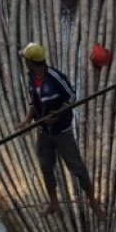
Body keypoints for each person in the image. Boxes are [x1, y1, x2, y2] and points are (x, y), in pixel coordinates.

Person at [17, 42, 105, 219]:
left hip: (61, 131)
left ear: (31, 61)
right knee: (46, 167)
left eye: (25, 59)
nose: (24, 62)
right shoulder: (31, 76)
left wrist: (57, 114)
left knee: (77, 168)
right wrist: (26, 120)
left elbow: (72, 96)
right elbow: (33, 101)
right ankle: (53, 202)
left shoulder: (54, 77)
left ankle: (92, 202)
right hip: (43, 131)